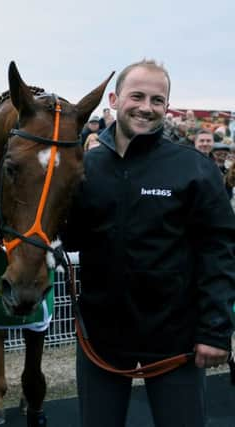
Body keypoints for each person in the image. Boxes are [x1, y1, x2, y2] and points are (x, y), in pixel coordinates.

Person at [63, 59, 235, 427]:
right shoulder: (85, 168)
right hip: (101, 339)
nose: (146, 106)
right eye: (137, 96)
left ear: (167, 106)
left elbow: (219, 253)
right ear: (114, 99)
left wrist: (216, 330)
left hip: (176, 338)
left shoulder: (194, 169)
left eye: (158, 100)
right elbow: (71, 237)